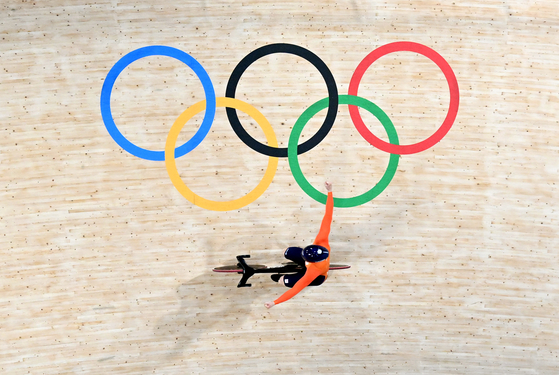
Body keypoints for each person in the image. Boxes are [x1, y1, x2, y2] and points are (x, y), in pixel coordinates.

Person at [265, 181, 333, 309]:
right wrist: (330, 191)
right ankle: (295, 264)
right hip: (311, 264)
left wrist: (274, 302)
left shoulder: (313, 271)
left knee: (283, 281)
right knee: (287, 251)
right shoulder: (322, 240)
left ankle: (284, 278)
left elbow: (295, 290)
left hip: (318, 277)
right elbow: (328, 215)